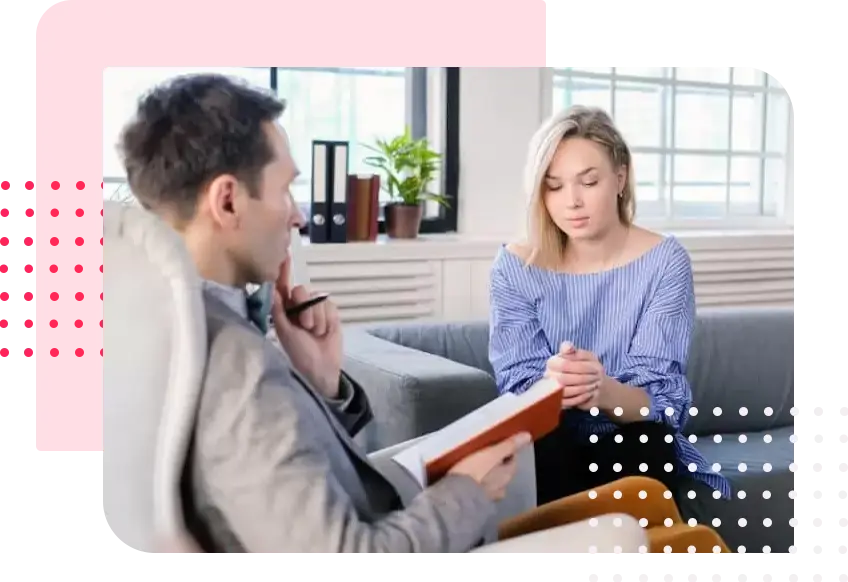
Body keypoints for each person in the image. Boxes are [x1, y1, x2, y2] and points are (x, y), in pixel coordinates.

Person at [119, 75, 724, 559]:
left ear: (619, 178)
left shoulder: (182, 329)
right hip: (423, 537)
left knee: (646, 499)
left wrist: (325, 387)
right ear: (228, 200)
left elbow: (300, 482)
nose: (300, 215)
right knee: (675, 538)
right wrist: (466, 488)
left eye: (587, 181)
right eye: (286, 190)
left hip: (435, 509)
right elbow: (349, 552)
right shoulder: (238, 364)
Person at [488, 106, 735, 546]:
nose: (572, 201)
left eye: (588, 182)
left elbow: (663, 403)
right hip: (550, 438)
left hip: (633, 432)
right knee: (544, 444)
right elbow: (515, 386)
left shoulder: (665, 262)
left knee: (647, 442)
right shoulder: (514, 266)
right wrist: (555, 385)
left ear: (620, 178)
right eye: (554, 186)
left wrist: (600, 389)